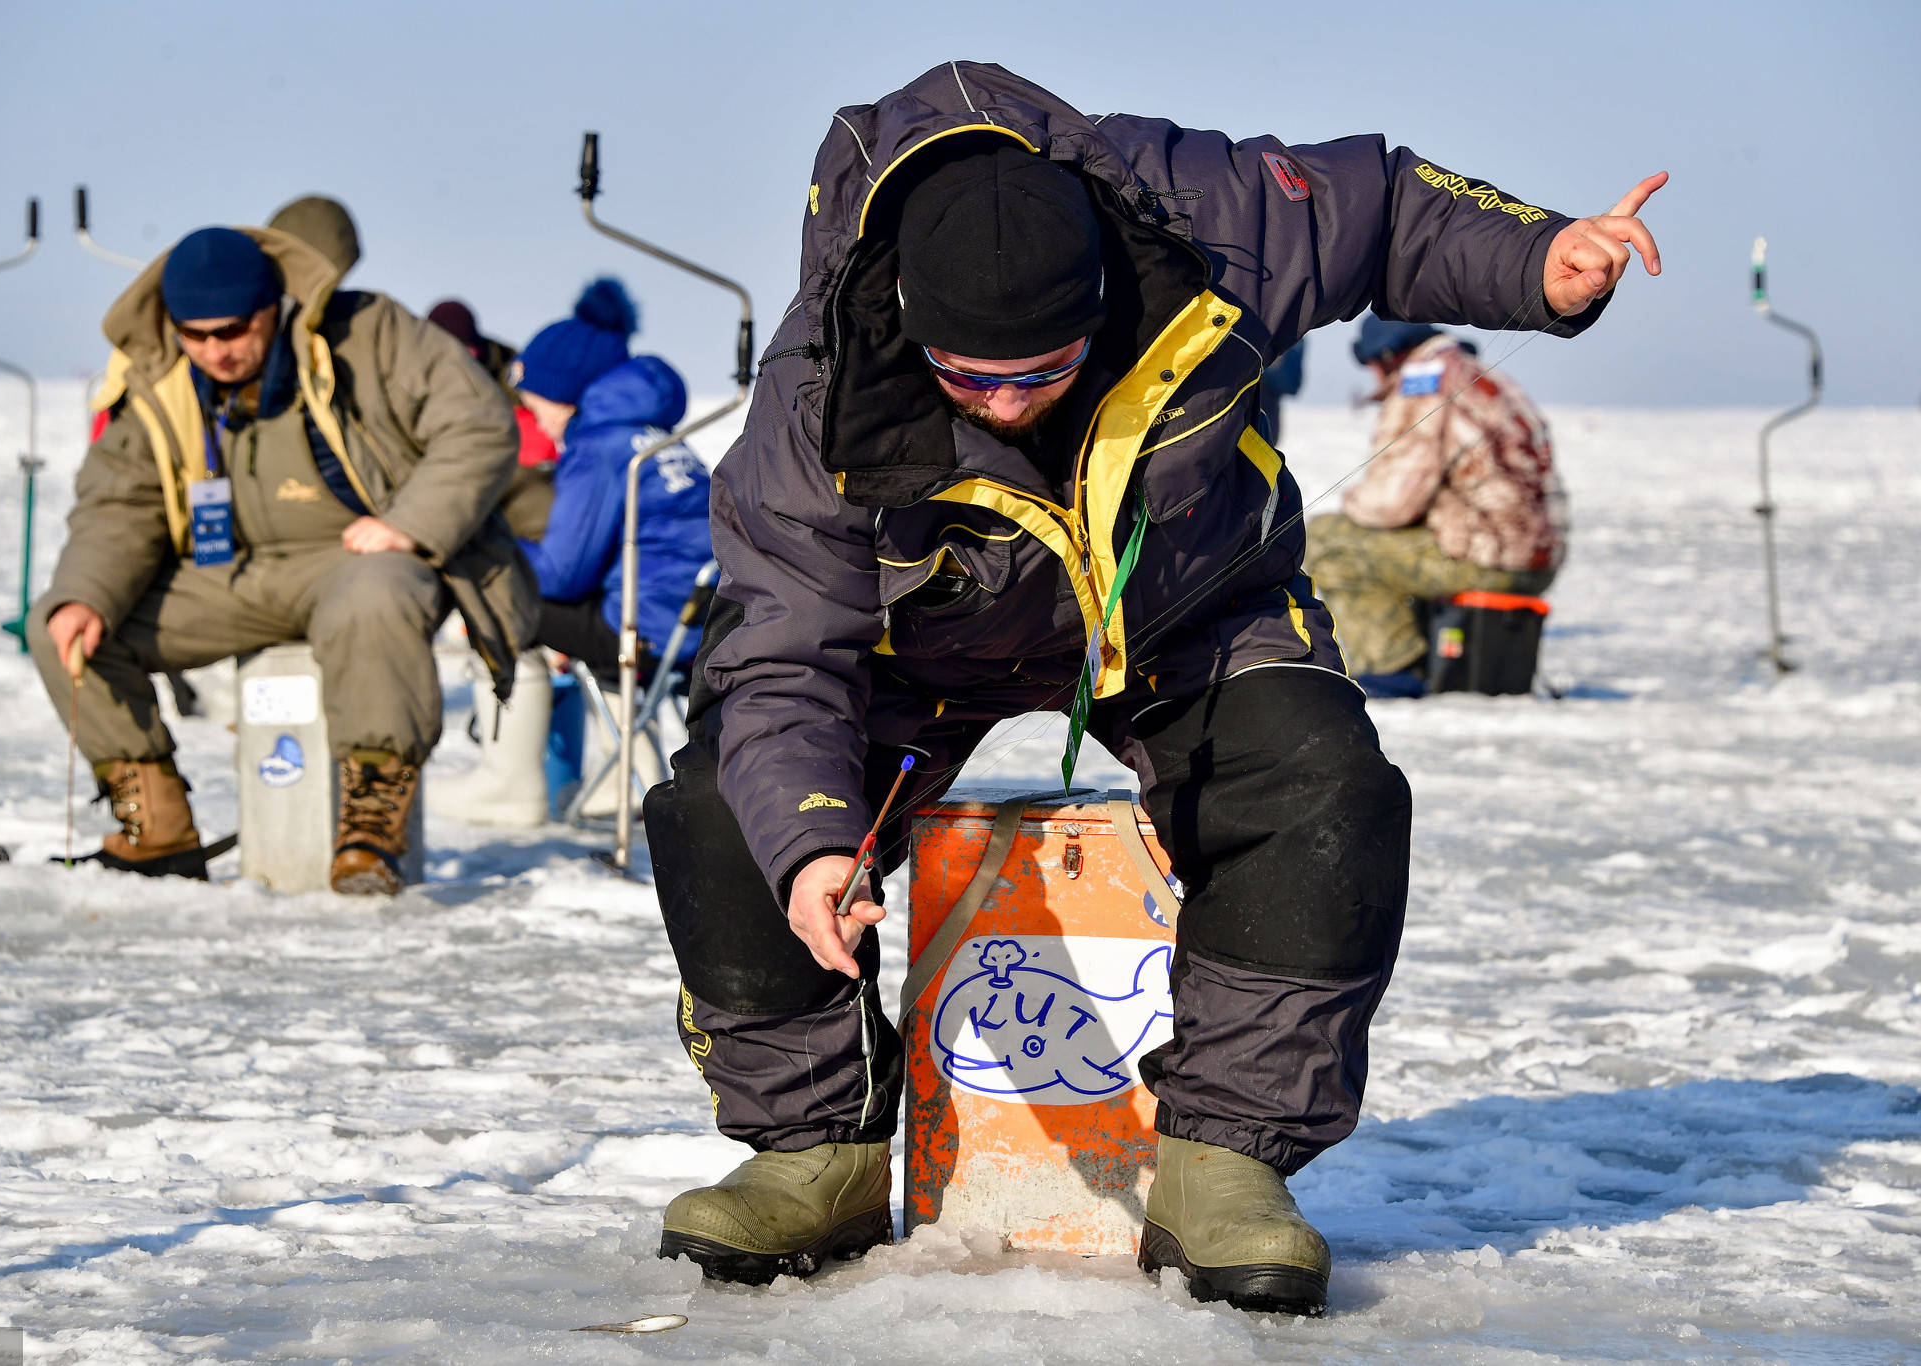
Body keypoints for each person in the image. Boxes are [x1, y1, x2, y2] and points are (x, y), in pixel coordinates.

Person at [640, 61, 1664, 1313]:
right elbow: (782, 659)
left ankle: (1223, 1165)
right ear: (911, 321)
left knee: (1320, 784)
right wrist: (810, 849)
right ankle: (816, 1151)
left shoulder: (1197, 214)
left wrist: (1537, 257)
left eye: (1044, 368)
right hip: (920, 650)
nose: (1008, 401)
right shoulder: (815, 393)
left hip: (1186, 605)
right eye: (969, 377)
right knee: (726, 808)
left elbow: (1381, 210)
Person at [28, 224, 540, 894]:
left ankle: (370, 828)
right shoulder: (158, 381)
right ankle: (156, 831)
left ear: (273, 307)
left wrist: (409, 525)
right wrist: (85, 594)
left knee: (374, 595)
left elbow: (478, 424)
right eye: (197, 333)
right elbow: (118, 502)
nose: (217, 350)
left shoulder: (370, 332)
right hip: (231, 578)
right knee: (61, 627)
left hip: (360, 559)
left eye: (234, 329)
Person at [1304, 316, 1565, 696]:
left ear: (1389, 355)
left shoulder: (1424, 379)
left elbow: (1392, 500)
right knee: (1390, 540)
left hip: (1488, 559)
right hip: (1534, 558)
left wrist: (1353, 507)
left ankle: (1392, 668)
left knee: (1327, 539)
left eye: (1372, 364)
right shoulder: (1471, 372)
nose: (1374, 375)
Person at [512, 279, 712, 685]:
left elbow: (562, 575)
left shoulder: (596, 448)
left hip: (648, 631)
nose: (539, 421)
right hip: (704, 618)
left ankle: (517, 745)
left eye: (537, 406)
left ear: (565, 395)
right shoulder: (654, 434)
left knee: (490, 591)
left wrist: (498, 546)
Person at [425, 298, 558, 541]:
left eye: (467, 346)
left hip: (517, 485)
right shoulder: (419, 379)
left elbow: (540, 438)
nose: (463, 357)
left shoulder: (517, 377)